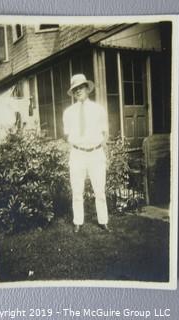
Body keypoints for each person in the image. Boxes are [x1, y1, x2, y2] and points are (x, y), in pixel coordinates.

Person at [63, 74, 110, 233]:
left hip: (96, 153)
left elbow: (105, 132)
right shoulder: (68, 112)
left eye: (80, 87)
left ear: (87, 89)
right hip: (77, 154)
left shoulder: (98, 110)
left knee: (100, 190)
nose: (78, 91)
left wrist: (99, 147)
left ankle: (103, 221)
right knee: (77, 190)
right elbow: (67, 134)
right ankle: (78, 221)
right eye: (75, 89)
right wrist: (77, 144)